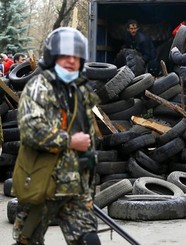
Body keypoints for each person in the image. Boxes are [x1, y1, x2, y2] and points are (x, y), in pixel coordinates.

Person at [13, 27, 101, 245]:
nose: (71, 60)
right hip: (43, 181)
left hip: (75, 183)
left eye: (76, 56)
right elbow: (31, 130)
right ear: (53, 57)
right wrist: (70, 141)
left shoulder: (81, 91)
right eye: (65, 55)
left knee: (88, 240)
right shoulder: (38, 87)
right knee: (28, 241)